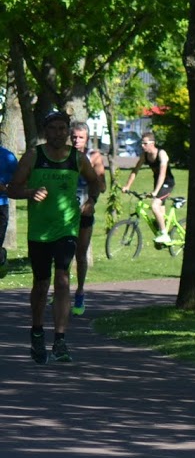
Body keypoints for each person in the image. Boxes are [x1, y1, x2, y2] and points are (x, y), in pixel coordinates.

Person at [7, 109, 105, 363]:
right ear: (46, 131)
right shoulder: (33, 156)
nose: (58, 133)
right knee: (41, 284)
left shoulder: (77, 158)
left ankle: (60, 340)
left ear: (67, 131)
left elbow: (95, 182)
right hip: (39, 231)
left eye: (63, 128)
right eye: (53, 128)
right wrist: (29, 193)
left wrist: (91, 201)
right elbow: (13, 189)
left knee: (62, 280)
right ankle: (37, 331)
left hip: (67, 227)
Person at [68, 122, 106, 316]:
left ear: (87, 138)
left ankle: (80, 292)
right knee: (62, 252)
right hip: (64, 213)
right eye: (74, 137)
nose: (77, 140)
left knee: (80, 253)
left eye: (81, 137)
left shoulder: (94, 156)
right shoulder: (63, 155)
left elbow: (102, 185)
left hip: (84, 212)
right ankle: (61, 289)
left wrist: (91, 199)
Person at [121, 132, 175, 246]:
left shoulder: (162, 154)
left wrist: (155, 192)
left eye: (145, 143)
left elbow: (162, 175)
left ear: (152, 143)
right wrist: (127, 186)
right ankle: (163, 235)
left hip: (167, 183)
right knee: (160, 217)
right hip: (158, 184)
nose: (142, 145)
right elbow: (135, 170)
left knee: (154, 206)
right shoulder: (144, 155)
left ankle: (165, 235)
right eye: (142, 143)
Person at [0, 143, 16, 279]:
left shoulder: (7, 156)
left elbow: (19, 180)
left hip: (1, 205)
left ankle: (1, 256)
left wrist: (4, 188)